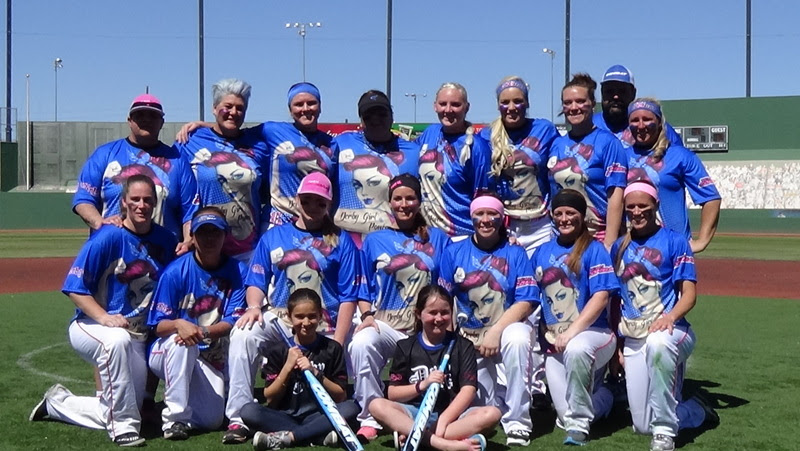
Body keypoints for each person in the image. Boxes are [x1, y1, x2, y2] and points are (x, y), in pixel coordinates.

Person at [30, 174, 177, 447]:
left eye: (147, 200)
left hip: (136, 333)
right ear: (124, 202)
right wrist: (103, 317)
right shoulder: (108, 236)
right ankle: (123, 428)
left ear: (156, 203)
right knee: (116, 341)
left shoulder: (166, 240)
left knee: (125, 403)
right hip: (92, 325)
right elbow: (74, 287)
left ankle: (58, 404)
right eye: (135, 199)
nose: (141, 205)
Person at [222, 173, 361, 444]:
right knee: (243, 334)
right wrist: (253, 306)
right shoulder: (274, 236)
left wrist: (337, 342)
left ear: (329, 205)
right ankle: (238, 418)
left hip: (323, 322)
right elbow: (256, 280)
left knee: (346, 397)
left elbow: (348, 296)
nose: (312, 207)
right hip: (282, 319)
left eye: (320, 202)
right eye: (306, 200)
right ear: (296, 200)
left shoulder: (340, 240)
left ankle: (306, 427)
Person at [611, 181, 715, 451]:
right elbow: (617, 299)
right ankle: (695, 409)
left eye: (643, 206)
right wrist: (618, 345)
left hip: (672, 332)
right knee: (642, 424)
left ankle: (665, 432)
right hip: (634, 335)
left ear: (656, 205)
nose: (636, 212)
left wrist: (670, 317)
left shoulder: (675, 241)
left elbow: (689, 295)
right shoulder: (618, 247)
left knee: (658, 344)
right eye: (631, 207)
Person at [351, 174, 451, 441]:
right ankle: (370, 417)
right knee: (361, 343)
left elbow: (447, 286)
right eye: (398, 199)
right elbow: (363, 286)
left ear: (419, 201)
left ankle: (422, 418)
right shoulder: (374, 240)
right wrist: (367, 315)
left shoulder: (438, 238)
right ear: (390, 202)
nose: (404, 204)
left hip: (426, 330)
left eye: (410, 198)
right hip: (387, 326)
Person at [438, 193, 539, 447]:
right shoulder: (453, 252)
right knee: (484, 409)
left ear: (502, 218)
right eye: (479, 214)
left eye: (492, 214)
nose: (485, 220)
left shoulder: (515, 253)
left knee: (518, 338)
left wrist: (496, 332)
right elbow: (443, 300)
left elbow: (527, 301)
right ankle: (501, 403)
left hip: (505, 333)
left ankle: (518, 423)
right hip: (469, 341)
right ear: (471, 217)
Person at [146, 207, 247, 440]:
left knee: (212, 420)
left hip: (207, 355)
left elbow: (233, 320)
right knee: (182, 342)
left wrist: (201, 331)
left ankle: (164, 408)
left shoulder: (238, 271)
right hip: (168, 351)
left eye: (215, 232)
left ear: (225, 234)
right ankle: (174, 420)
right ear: (192, 236)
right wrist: (179, 324)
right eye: (203, 232)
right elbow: (157, 326)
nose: (209, 238)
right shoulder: (175, 272)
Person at [176, 82, 336, 227]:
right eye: (299, 104)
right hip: (275, 224)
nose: (305, 108)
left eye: (311, 103)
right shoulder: (273, 130)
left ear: (320, 106)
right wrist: (203, 126)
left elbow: (233, 127)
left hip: (315, 223)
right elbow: (229, 128)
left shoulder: (333, 144)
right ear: (290, 109)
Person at [529, 189, 619, 446]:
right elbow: (528, 294)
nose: (564, 218)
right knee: (563, 416)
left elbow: (601, 297)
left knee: (577, 348)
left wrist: (571, 333)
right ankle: (607, 395)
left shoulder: (595, 249)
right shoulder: (542, 251)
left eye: (570, 213)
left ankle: (580, 427)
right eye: (558, 213)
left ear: (582, 216)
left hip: (594, 335)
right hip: (555, 343)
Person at [369, 285, 500, 451]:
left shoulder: (463, 346)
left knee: (492, 414)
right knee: (376, 405)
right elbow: (393, 393)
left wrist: (443, 420)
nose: (439, 318)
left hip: (453, 417)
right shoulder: (405, 346)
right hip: (415, 414)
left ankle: (416, 438)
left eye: (444, 312)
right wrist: (423, 384)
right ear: (418, 313)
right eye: (432, 313)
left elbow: (468, 391)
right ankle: (445, 444)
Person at [72, 94, 197, 253]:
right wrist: (100, 223)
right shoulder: (104, 154)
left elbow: (190, 211)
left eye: (153, 116)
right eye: (140, 115)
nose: (146, 120)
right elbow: (83, 200)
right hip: (113, 252)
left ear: (162, 122)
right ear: (129, 120)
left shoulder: (177, 160)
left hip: (162, 255)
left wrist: (187, 241)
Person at [240, 288, 359, 450]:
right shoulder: (278, 350)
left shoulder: (332, 348)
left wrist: (316, 373)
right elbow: (270, 398)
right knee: (248, 411)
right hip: (284, 416)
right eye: (300, 317)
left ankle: (289, 437)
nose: (306, 322)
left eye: (312, 316)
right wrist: (287, 368)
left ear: (320, 316)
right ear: (289, 316)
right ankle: (316, 435)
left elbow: (340, 396)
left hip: (320, 415)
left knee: (350, 408)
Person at [174, 79, 270, 261]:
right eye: (228, 106)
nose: (233, 112)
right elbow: (179, 194)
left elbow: (268, 192)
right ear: (214, 108)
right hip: (204, 250)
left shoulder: (259, 145)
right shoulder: (190, 141)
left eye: (240, 108)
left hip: (247, 251)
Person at [476, 76, 559, 254]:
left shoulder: (545, 129)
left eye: (518, 101)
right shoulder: (486, 136)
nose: (511, 107)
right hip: (505, 226)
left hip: (540, 225)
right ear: (498, 105)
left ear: (527, 103)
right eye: (505, 102)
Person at [626, 98, 721, 252]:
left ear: (659, 122)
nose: (641, 125)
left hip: (673, 252)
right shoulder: (619, 156)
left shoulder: (681, 156)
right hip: (631, 251)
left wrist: (701, 242)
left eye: (647, 119)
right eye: (635, 120)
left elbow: (711, 198)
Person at [548, 73, 627, 249]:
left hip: (596, 237)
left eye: (580, 101)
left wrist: (609, 242)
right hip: (563, 238)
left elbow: (616, 194)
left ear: (592, 103)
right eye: (568, 102)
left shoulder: (608, 142)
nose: (574, 107)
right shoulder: (557, 144)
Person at [333, 90, 420, 247]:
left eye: (382, 114)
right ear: (361, 120)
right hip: (345, 244)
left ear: (392, 116)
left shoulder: (413, 152)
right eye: (368, 116)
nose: (376, 120)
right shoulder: (339, 144)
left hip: (390, 246)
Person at [415, 82, 490, 237]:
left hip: (462, 235)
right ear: (435, 106)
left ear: (467, 107)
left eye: (455, 105)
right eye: (443, 104)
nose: (448, 110)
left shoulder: (476, 147)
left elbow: (484, 198)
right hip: (430, 236)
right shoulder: (430, 133)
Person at [593, 65, 683, 147]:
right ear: (601, 92)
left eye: (622, 91)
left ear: (633, 93)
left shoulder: (658, 129)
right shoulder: (589, 126)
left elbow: (679, 156)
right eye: (609, 91)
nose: (616, 96)